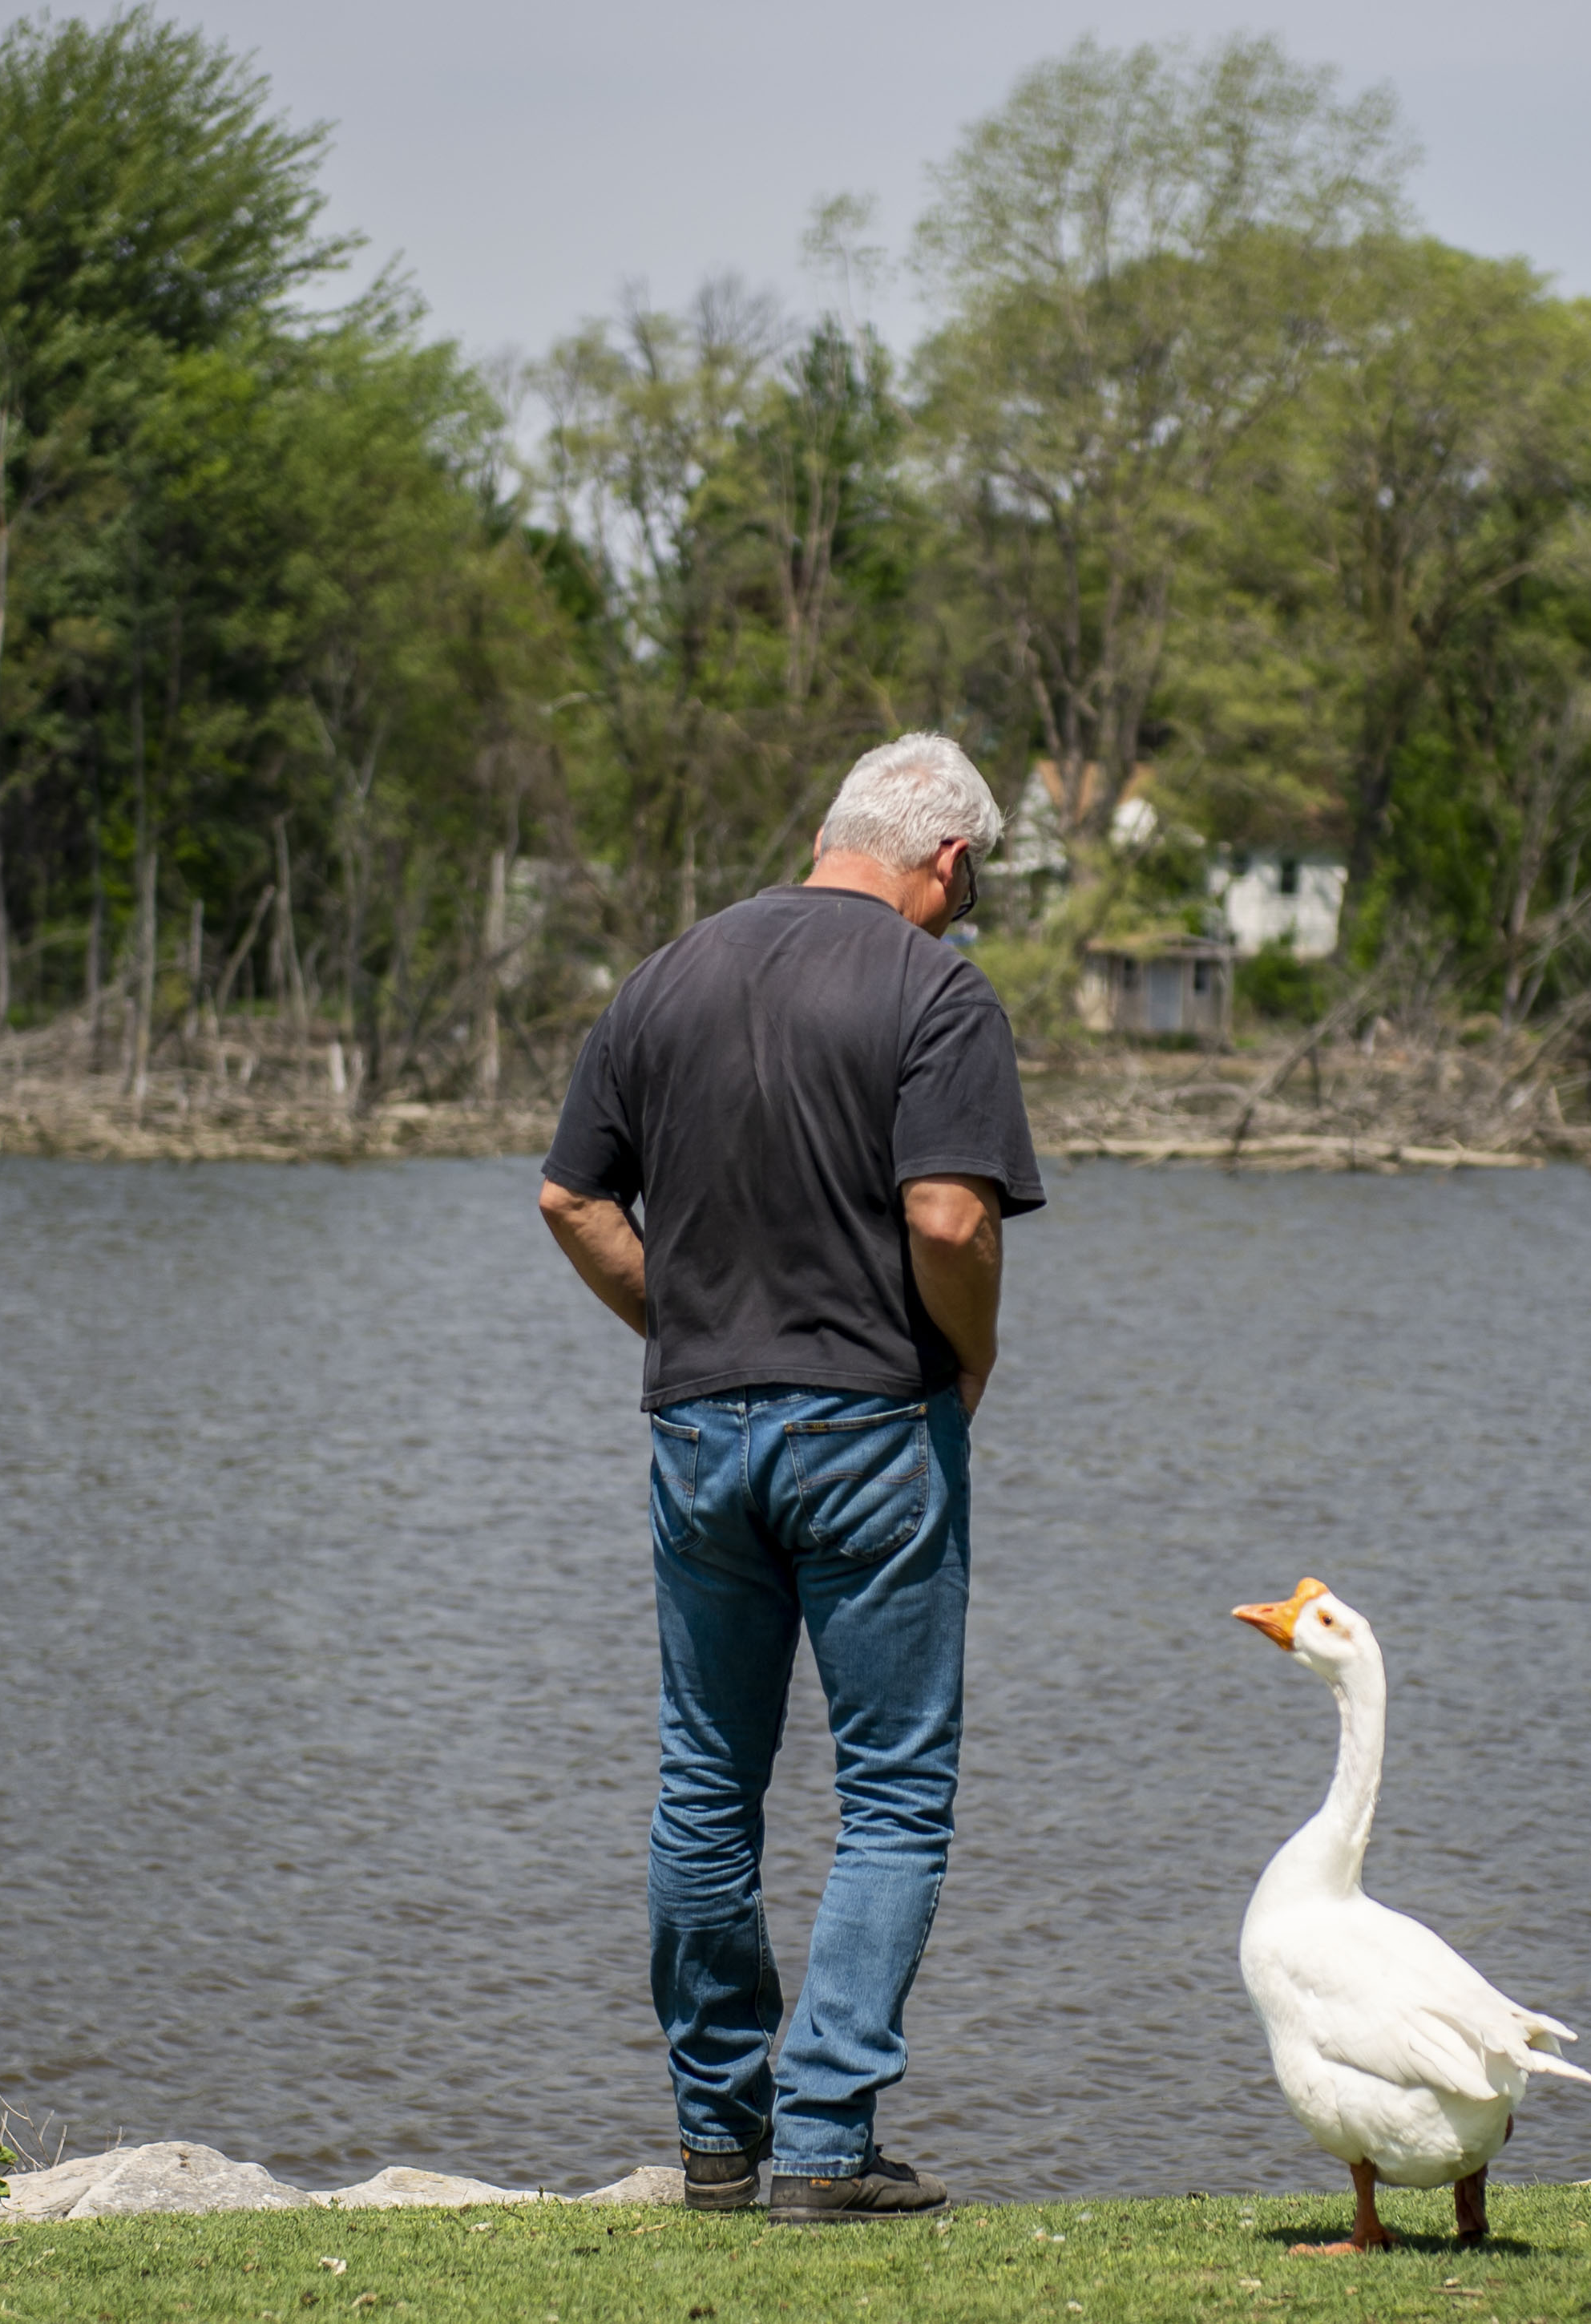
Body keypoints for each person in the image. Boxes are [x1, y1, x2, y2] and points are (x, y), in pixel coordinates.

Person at [536, 732, 1044, 2224]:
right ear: (947, 858)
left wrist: (683, 1324)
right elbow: (948, 1222)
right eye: (977, 883)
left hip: (698, 1434)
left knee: (707, 1781)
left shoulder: (665, 976)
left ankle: (717, 2141)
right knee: (891, 1795)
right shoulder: (935, 991)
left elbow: (572, 1196)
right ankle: (825, 2146)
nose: (971, 911)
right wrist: (973, 1362)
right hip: (871, 1429)